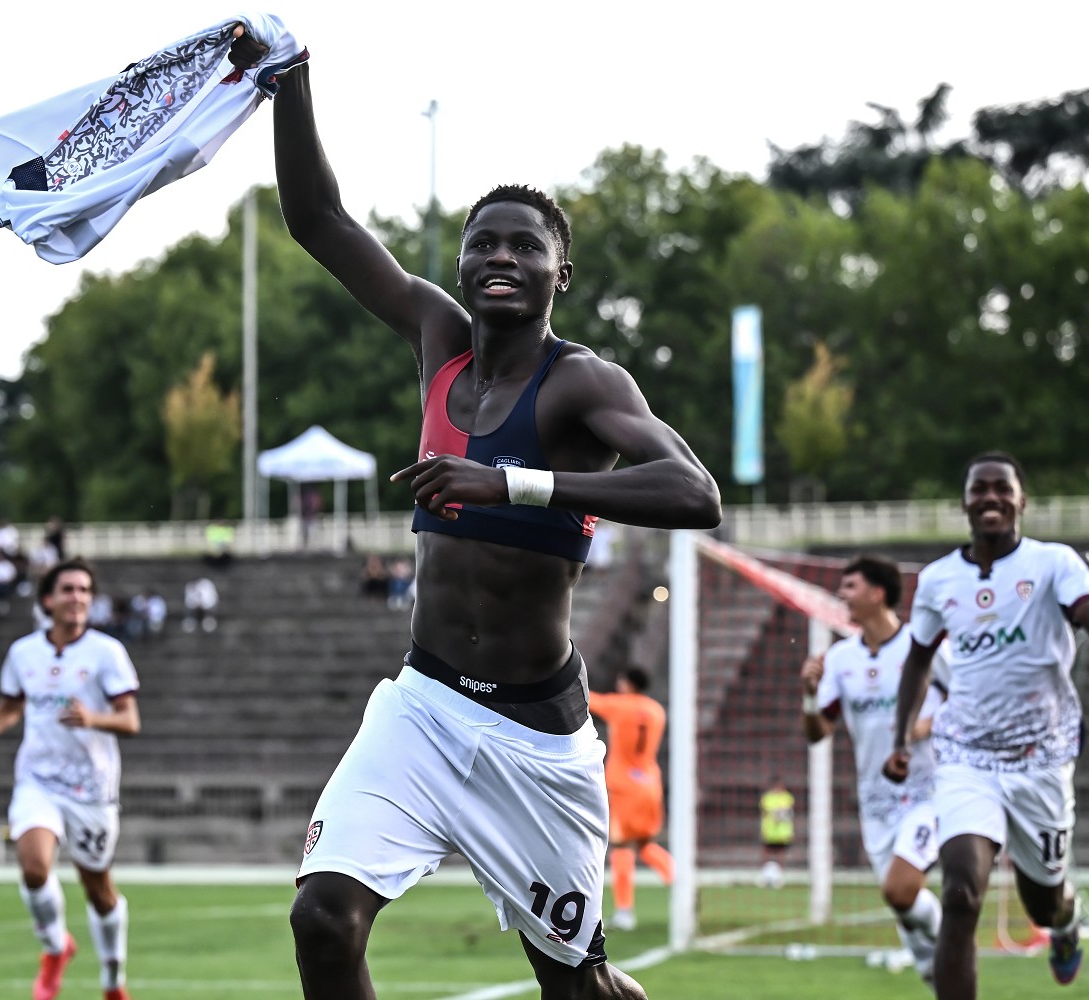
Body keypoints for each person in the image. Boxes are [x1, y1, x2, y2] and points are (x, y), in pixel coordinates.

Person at [269, 49, 722, 1000]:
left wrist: (509, 484)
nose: (500, 258)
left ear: (562, 268)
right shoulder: (436, 336)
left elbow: (693, 492)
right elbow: (317, 219)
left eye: (524, 245)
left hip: (534, 739)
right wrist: (290, 80)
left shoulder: (583, 381)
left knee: (578, 987)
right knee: (321, 916)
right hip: (423, 709)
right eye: (483, 243)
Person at [882, 453, 1089, 999]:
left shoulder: (1054, 564)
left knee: (1042, 902)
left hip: (1040, 758)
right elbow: (919, 660)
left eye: (1002, 488)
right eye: (979, 489)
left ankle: (1064, 924)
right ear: (965, 502)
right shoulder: (938, 579)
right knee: (961, 894)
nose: (990, 497)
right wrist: (901, 738)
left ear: (1022, 501)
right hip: (965, 755)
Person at [0, 557, 140, 1000]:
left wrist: (92, 718)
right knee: (33, 866)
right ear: (48, 599)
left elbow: (130, 721)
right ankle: (55, 947)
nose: (78, 597)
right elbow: (10, 708)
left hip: (91, 789)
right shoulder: (24, 652)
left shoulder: (107, 653)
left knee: (99, 891)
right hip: (38, 780)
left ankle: (112, 980)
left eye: (85, 590)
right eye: (68, 589)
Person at [801, 555, 947, 982]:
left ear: (878, 593)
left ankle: (952, 947)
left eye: (851, 586)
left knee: (900, 889)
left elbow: (971, 701)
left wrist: (921, 727)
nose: (843, 595)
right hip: (876, 800)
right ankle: (936, 973)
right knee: (902, 903)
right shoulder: (842, 658)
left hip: (928, 792)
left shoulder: (924, 647)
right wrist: (810, 695)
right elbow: (817, 733)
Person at [587, 667, 672, 932]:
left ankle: (625, 912)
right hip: (649, 782)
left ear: (628, 683)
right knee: (645, 844)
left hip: (624, 785)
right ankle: (679, 882)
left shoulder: (619, 705)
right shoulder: (657, 710)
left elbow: (585, 697)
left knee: (622, 846)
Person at [757, 776, 795, 889]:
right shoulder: (767, 798)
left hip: (783, 832)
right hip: (769, 831)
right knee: (766, 852)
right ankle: (764, 875)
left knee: (781, 853)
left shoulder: (787, 797)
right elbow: (767, 811)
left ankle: (779, 876)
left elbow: (787, 812)